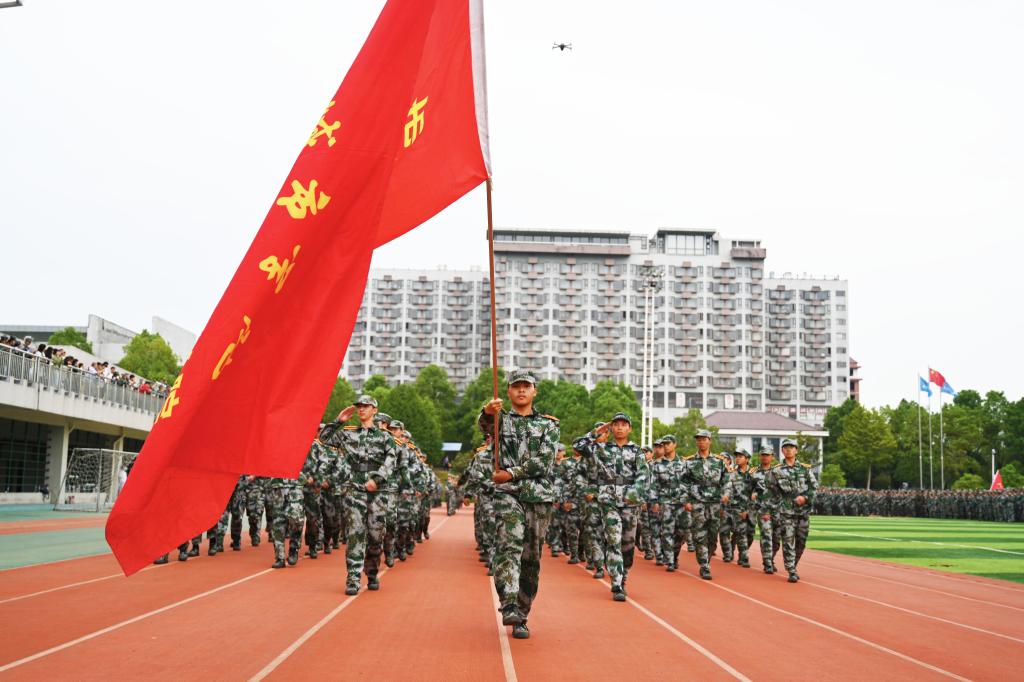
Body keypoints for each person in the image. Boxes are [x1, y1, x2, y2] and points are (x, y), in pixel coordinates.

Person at [480, 369, 559, 640]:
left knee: (531, 558)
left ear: (535, 391)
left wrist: (512, 473)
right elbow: (485, 426)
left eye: (526, 386)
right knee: (508, 545)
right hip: (507, 494)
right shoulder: (500, 420)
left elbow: (544, 462)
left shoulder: (549, 425)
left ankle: (522, 615)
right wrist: (487, 411)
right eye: (516, 386)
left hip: (538, 496)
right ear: (509, 391)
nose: (521, 390)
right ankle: (510, 603)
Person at [325, 395, 398, 595]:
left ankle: (372, 572)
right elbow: (324, 438)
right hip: (354, 490)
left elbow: (391, 461)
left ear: (374, 410)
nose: (361, 409)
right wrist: (339, 421)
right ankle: (353, 578)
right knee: (355, 534)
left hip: (378, 493)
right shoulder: (348, 434)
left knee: (375, 535)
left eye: (366, 406)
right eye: (359, 406)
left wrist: (377, 479)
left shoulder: (385, 437)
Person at [573, 413, 649, 602]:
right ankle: (617, 582)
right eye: (616, 424)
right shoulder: (600, 449)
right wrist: (596, 432)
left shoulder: (637, 451)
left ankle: (624, 574)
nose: (620, 427)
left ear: (630, 429)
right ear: (611, 428)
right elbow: (578, 446)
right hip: (608, 501)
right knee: (613, 540)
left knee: (628, 544)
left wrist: (634, 494)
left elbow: (643, 475)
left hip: (630, 502)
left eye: (624, 424)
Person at [759, 437, 818, 583]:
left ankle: (793, 564)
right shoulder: (776, 471)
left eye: (791, 447)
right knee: (788, 541)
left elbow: (814, 488)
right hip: (785, 512)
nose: (789, 450)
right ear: (782, 451)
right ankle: (791, 570)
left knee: (801, 542)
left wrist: (805, 498)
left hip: (803, 512)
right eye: (786, 448)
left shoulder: (805, 469)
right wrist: (766, 511)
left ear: (796, 450)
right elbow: (769, 492)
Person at [682, 428, 729, 580]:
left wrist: (726, 494)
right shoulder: (689, 462)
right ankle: (704, 565)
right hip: (697, 502)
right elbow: (683, 482)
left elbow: (726, 481)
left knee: (713, 536)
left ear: (710, 441)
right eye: (699, 439)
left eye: (704, 439)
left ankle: (706, 559)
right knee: (699, 534)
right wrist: (686, 500)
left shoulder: (719, 462)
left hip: (715, 503)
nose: (701, 442)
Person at [650, 435, 687, 572]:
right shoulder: (657, 465)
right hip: (665, 501)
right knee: (667, 531)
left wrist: (689, 499)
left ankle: (674, 554)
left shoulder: (684, 463)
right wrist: (654, 501)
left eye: (668, 443)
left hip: (681, 502)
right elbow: (653, 484)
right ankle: (670, 560)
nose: (665, 446)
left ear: (674, 444)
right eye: (663, 444)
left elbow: (689, 482)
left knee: (681, 532)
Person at [721, 448, 754, 567]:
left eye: (740, 456)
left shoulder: (753, 473)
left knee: (748, 533)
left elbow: (760, 488)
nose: (738, 459)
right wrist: (726, 495)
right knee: (737, 532)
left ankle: (741, 554)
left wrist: (755, 495)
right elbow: (728, 486)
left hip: (749, 508)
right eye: (736, 456)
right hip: (734, 507)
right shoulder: (733, 473)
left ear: (747, 459)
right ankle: (739, 556)